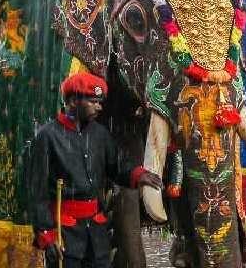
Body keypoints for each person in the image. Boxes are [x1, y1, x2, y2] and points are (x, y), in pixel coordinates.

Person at [26, 73, 161, 268]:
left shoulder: (100, 133)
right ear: (73, 101)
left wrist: (138, 175)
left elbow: (117, 165)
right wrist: (46, 234)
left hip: (96, 231)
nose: (99, 107)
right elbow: (37, 192)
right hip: (65, 231)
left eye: (100, 102)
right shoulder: (48, 137)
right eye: (93, 101)